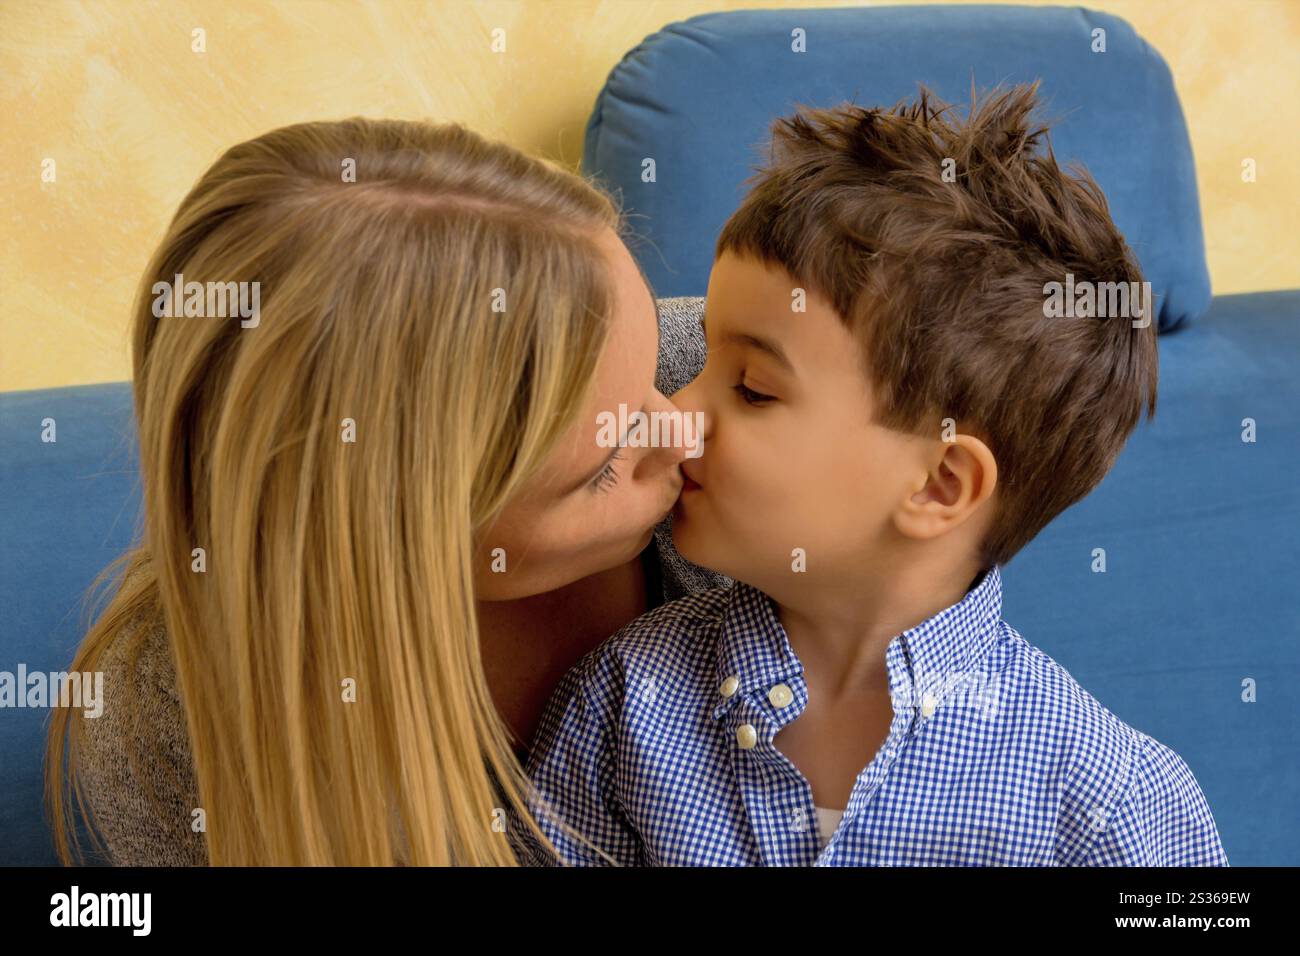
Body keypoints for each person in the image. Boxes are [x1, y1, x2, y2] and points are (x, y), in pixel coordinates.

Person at [517, 84, 1228, 866]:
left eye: (752, 388)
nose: (679, 408)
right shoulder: (620, 704)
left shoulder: (1114, 802)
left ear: (938, 485)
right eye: (704, 359)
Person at [45, 117, 709, 866]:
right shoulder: (174, 728)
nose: (686, 432)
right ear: (388, 539)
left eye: (652, 364)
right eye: (601, 469)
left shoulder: (759, 385)